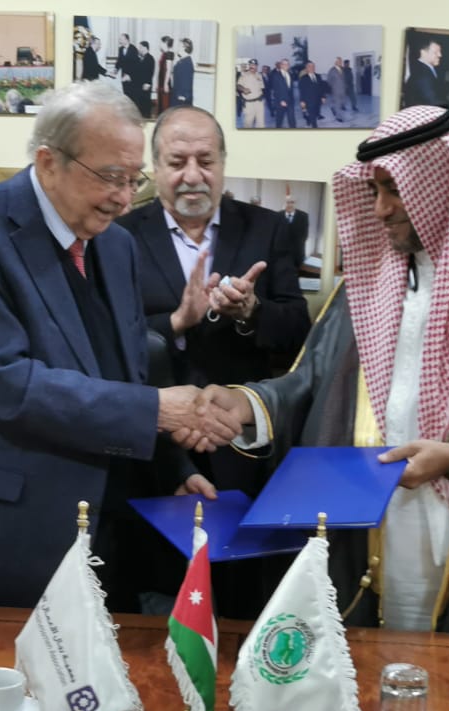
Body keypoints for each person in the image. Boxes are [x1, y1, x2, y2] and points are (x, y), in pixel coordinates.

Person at [183, 106, 449, 637]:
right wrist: (249, 405)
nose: (380, 209)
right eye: (374, 190)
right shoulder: (368, 279)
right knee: (376, 667)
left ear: (447, 186)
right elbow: (313, 384)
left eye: (395, 190)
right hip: (369, 525)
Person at [0, 82, 232, 608]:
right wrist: (158, 410)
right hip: (4, 527)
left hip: (108, 527)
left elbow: (126, 369)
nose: (125, 198)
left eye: (134, 179)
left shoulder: (116, 244)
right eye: (111, 177)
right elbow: (5, 384)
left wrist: (173, 469)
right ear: (49, 162)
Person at [114, 106, 310, 615]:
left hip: (239, 445)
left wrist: (251, 312)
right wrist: (177, 321)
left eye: (205, 160)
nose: (193, 175)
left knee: (243, 598)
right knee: (158, 598)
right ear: (155, 166)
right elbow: (109, 339)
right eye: (177, 162)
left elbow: (299, 330)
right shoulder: (119, 236)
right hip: (154, 447)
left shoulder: (268, 229)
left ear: (223, 162)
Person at [278, 197, 309, 267]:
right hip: (281, 253)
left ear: (295, 204)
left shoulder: (304, 216)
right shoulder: (278, 215)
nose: (290, 205)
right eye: (287, 202)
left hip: (297, 253)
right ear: (284, 203)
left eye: (292, 202)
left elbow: (305, 235)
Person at [237, 59, 266, 128]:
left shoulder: (259, 75)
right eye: (250, 65)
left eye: (254, 65)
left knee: (261, 123)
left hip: (259, 103)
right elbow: (238, 85)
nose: (252, 66)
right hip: (249, 104)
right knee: (248, 123)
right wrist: (243, 89)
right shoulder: (244, 75)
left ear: (257, 66)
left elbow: (262, 87)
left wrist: (262, 97)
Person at [171, 38, 195, 107]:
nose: (177, 48)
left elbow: (187, 81)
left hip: (181, 97)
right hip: (177, 94)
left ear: (184, 47)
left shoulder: (186, 62)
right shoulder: (182, 60)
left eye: (179, 46)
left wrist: (183, 95)